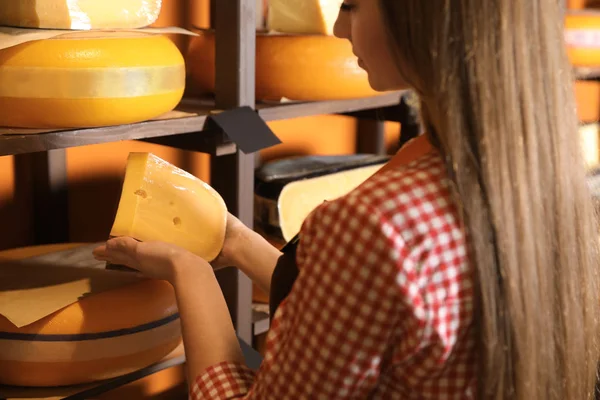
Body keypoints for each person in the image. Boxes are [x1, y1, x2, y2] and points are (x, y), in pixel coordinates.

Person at [93, 0, 600, 398]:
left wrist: (190, 271)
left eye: (353, 4)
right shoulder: (544, 176)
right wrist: (239, 244)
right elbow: (381, 316)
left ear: (420, 15)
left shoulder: (377, 221)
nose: (337, 28)